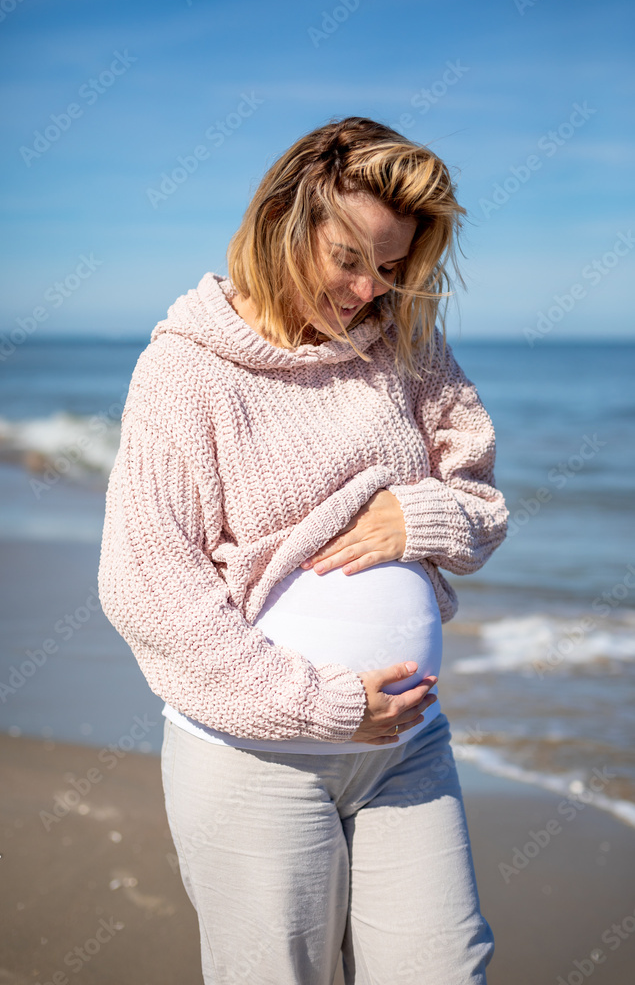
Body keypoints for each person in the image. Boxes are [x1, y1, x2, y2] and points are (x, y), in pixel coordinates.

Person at [98, 115, 509, 984]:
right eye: (349, 258)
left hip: (407, 745)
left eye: (391, 266)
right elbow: (146, 585)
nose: (369, 290)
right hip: (254, 753)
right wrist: (318, 706)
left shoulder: (405, 343)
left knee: (445, 967)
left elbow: (481, 504)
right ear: (285, 219)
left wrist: (424, 518)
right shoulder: (188, 371)